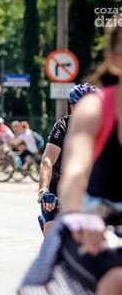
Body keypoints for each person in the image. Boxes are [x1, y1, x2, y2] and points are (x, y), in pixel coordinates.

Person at [56, 18, 121, 295]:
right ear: (113, 59)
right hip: (98, 224)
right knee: (119, 281)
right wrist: (76, 213)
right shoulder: (95, 109)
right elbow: (76, 169)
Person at [37, 83, 99, 235]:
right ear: (72, 107)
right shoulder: (63, 126)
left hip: (91, 194)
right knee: (52, 235)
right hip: (59, 193)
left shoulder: (105, 128)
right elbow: (48, 160)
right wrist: (43, 190)